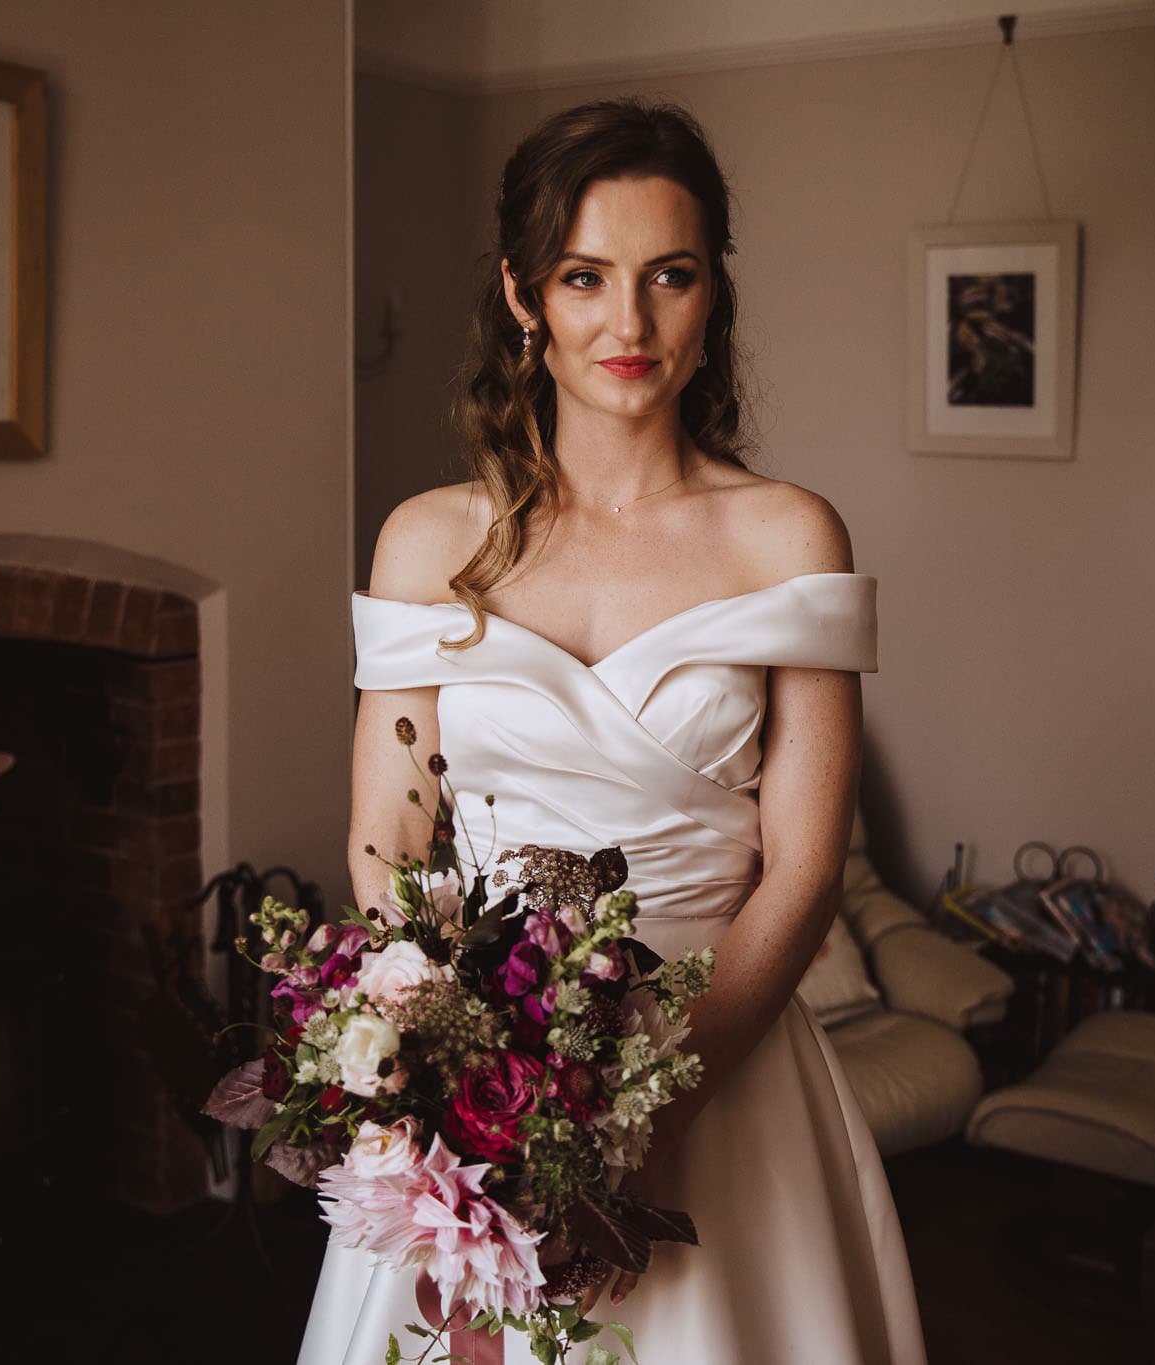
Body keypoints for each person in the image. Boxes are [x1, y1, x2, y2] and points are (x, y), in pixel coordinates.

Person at [296, 96, 926, 1365]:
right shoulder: (427, 541)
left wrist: (649, 1109)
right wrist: (440, 1074)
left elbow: (802, 872)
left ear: (713, 297)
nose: (627, 325)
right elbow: (387, 839)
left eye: (668, 277)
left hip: (725, 1081)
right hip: (477, 1097)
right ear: (526, 298)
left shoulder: (787, 538)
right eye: (585, 277)